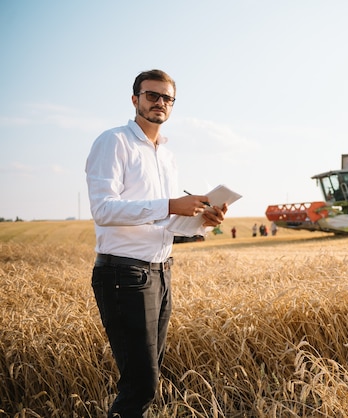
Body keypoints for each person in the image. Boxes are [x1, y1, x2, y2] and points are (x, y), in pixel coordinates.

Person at [85, 69, 227, 418]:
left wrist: (202, 222)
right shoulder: (113, 141)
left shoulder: (167, 154)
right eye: (152, 95)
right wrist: (169, 205)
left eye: (167, 98)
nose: (160, 102)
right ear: (135, 100)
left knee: (147, 378)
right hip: (124, 274)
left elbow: (164, 222)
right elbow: (104, 210)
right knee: (140, 384)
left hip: (161, 273)